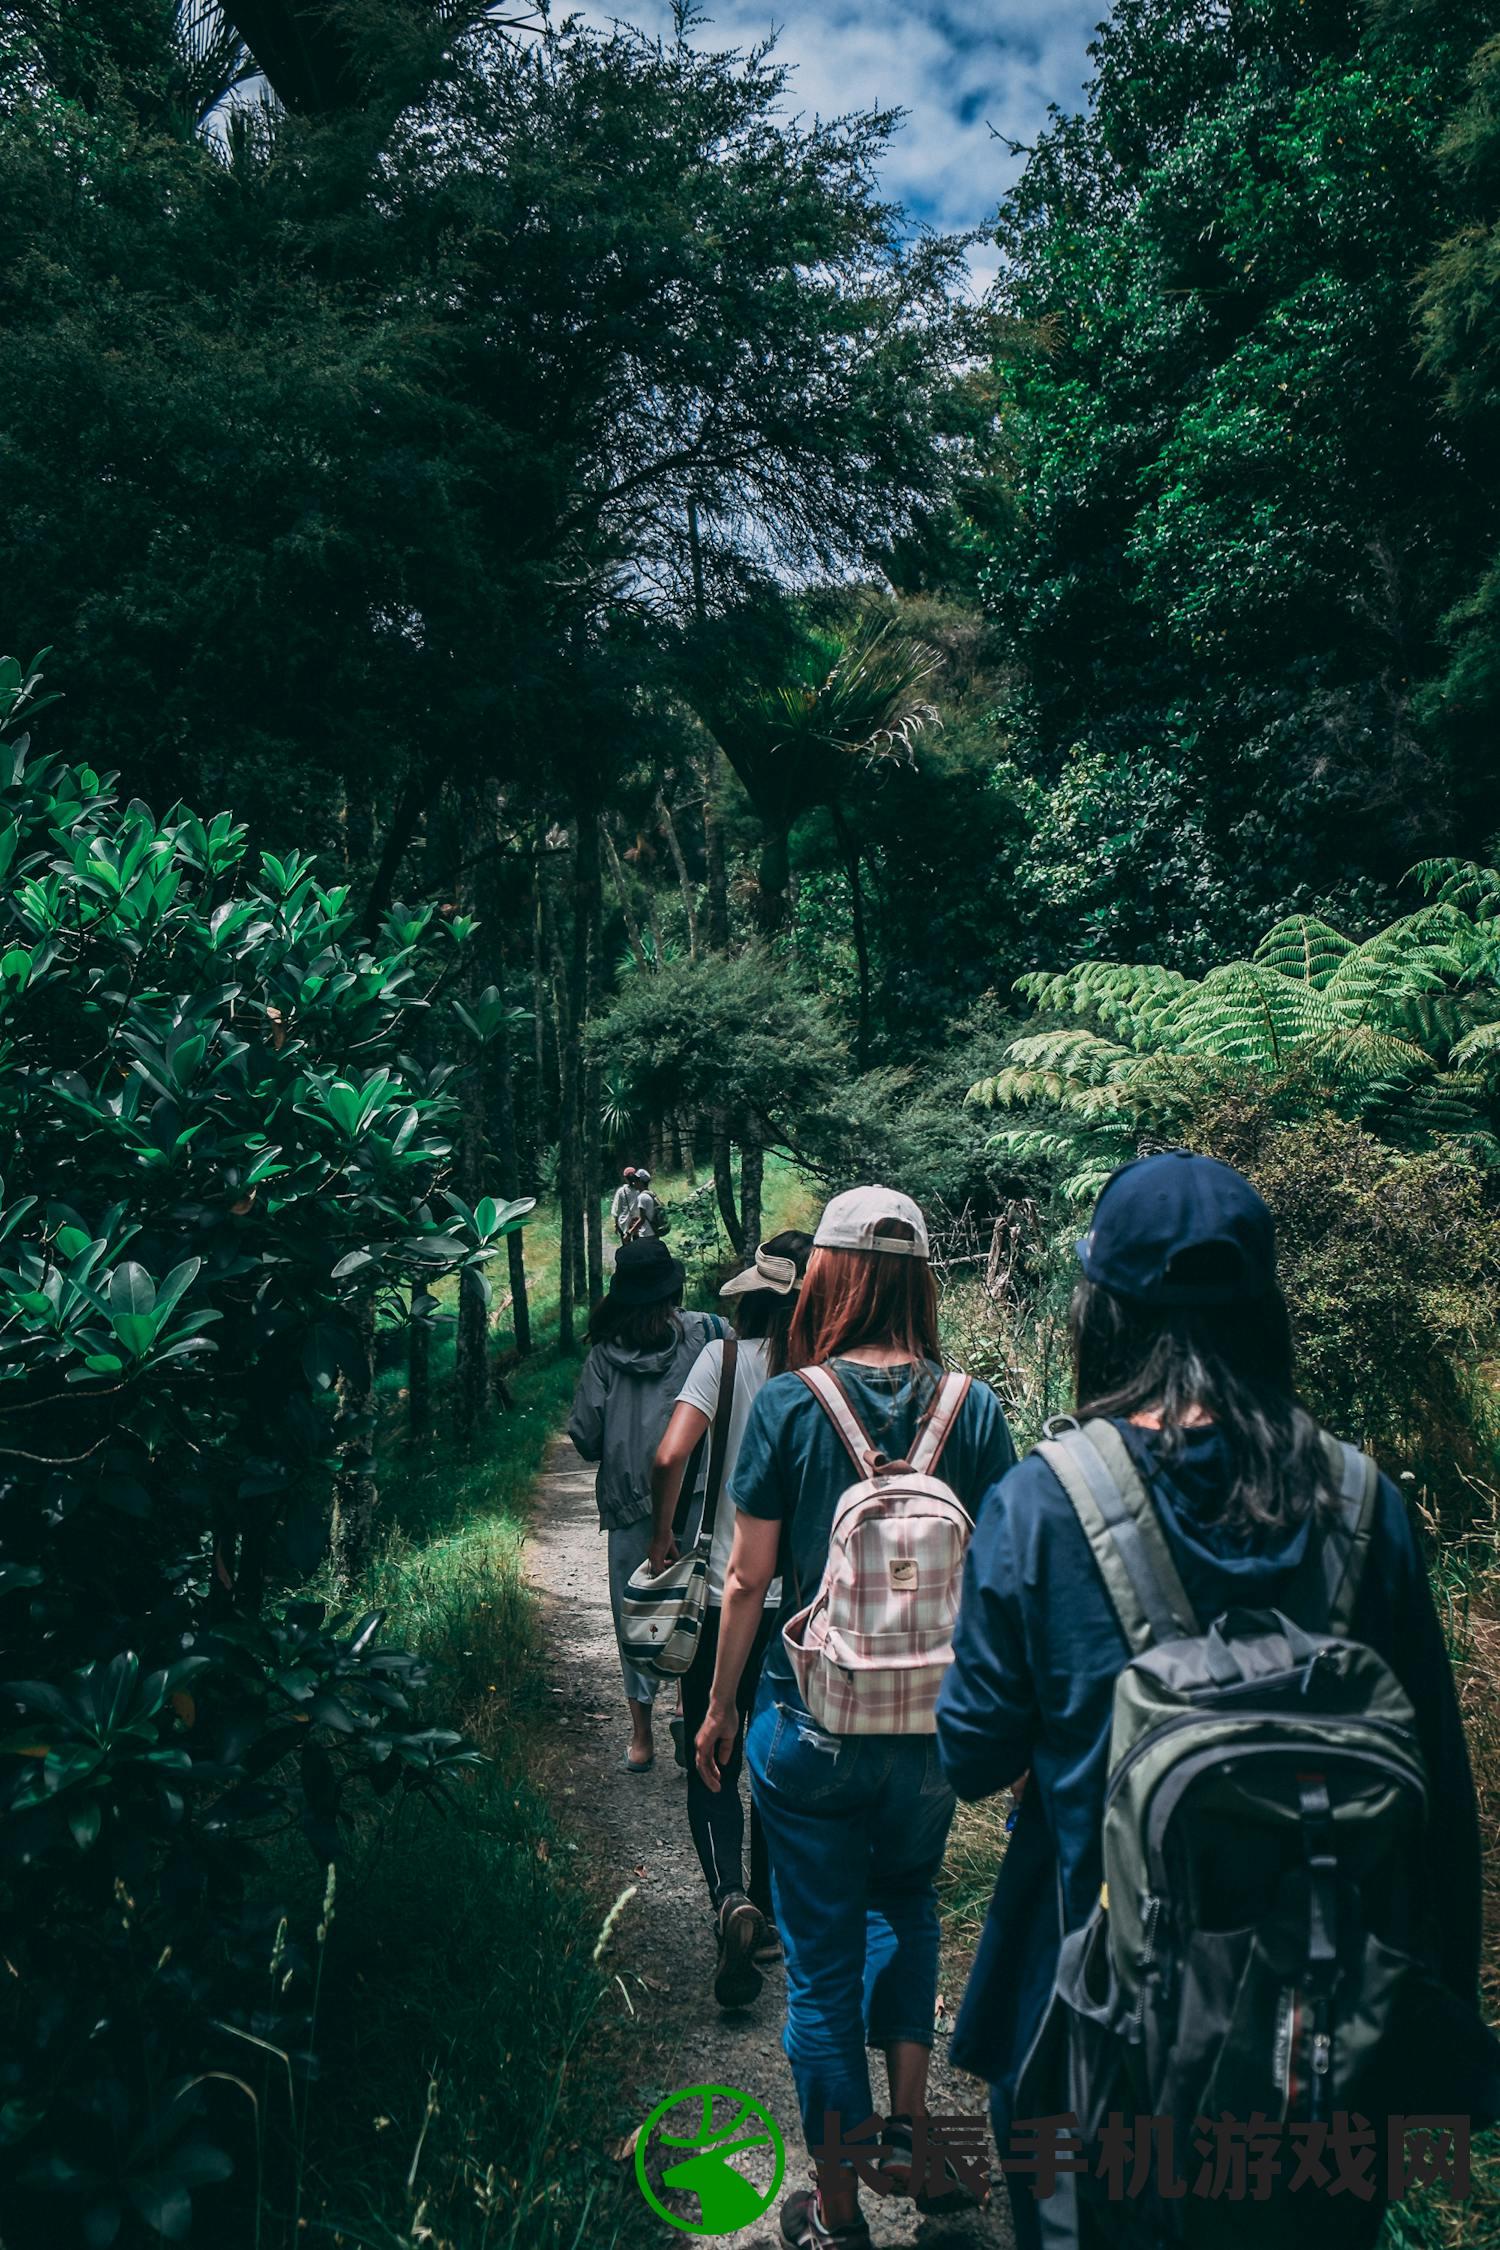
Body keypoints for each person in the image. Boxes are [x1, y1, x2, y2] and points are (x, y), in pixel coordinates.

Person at [935, 1151, 1487, 2250]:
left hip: (1098, 2043)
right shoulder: (1362, 1503)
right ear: (1265, 1312)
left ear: (1105, 1310)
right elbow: (1442, 1806)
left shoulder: (1044, 1504)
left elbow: (973, 1752)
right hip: (1325, 2040)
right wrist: (1437, 2044)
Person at [694, 1186, 1016, 2250]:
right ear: (921, 1280)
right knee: (909, 1905)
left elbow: (746, 1583)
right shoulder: (973, 1407)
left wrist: (722, 1706)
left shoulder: (792, 1404)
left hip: (813, 1717)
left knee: (821, 1960)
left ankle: (836, 2212)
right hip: (932, 1728)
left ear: (824, 1276)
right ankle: (914, 2139)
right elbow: (1005, 1575)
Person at [649, 1232, 814, 2010]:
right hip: (805, 1611)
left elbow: (667, 1455)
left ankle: (728, 1898)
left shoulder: (723, 1360)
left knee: (709, 1751)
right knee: (775, 1758)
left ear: (751, 1295)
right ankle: (774, 1914)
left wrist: (661, 1532)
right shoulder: (824, 1376)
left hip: (723, 1596)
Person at [567, 1237, 725, 1773]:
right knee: (699, 1603)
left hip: (631, 1502)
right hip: (700, 1494)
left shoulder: (603, 1355)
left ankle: (641, 1737)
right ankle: (689, 1704)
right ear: (673, 1286)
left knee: (634, 1612)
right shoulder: (709, 1333)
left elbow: (586, 1436)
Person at [610, 1166, 640, 1241]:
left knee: (626, 1247)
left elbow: (617, 1210)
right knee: (638, 1247)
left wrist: (616, 1225)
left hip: (624, 1223)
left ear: (625, 1178)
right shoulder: (640, 1189)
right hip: (637, 1224)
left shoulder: (621, 1191)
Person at [631, 1168, 660, 1240]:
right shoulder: (651, 1193)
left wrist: (629, 1232)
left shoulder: (642, 1197)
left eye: (636, 1180)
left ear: (641, 1181)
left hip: (646, 1234)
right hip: (654, 1232)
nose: (634, 1182)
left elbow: (642, 1219)